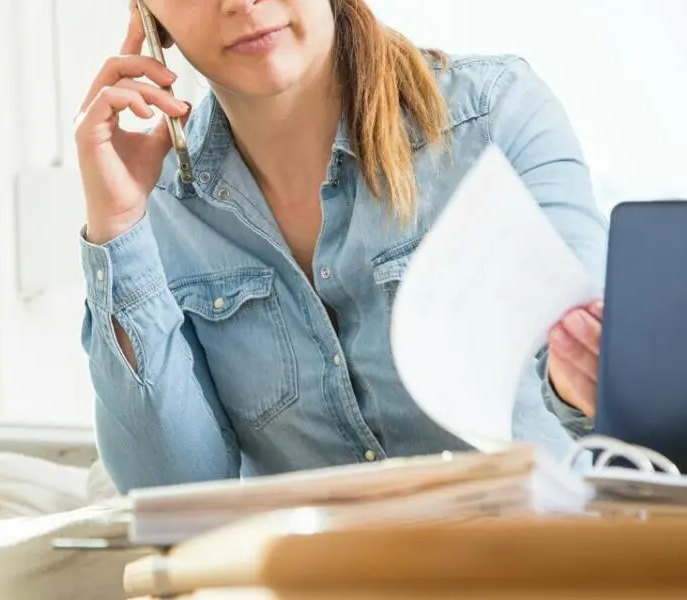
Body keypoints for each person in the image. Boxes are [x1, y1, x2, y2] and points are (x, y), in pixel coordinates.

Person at [75, 0, 607, 494]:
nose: (240, 2)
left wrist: (582, 377)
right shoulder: (162, 203)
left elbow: (602, 391)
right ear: (149, 14)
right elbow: (171, 495)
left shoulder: (494, 115)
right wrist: (119, 227)